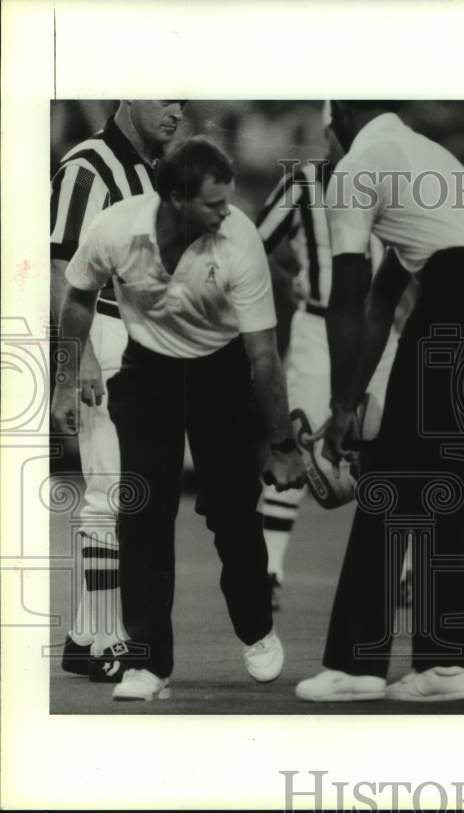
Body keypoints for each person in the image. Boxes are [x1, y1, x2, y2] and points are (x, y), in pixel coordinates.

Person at [294, 101, 464, 703]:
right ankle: (444, 665)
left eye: (328, 131)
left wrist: (341, 404)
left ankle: (356, 665)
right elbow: (385, 299)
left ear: (340, 119)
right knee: (437, 486)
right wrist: (350, 403)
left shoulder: (358, 167)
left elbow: (350, 295)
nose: (326, 143)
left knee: (389, 478)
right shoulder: (421, 156)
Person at [51, 136, 305, 702]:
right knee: (142, 510)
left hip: (219, 371)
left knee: (234, 514)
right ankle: (147, 662)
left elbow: (263, 355)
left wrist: (283, 442)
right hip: (148, 372)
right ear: (172, 198)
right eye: (213, 204)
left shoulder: (238, 241)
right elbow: (76, 298)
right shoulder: (116, 228)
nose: (227, 213)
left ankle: (256, 628)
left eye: (227, 201)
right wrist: (67, 378)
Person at [254, 102, 410, 609]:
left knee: (390, 441)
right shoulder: (304, 182)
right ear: (331, 130)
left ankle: (403, 569)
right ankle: (269, 567)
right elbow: (255, 246)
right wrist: (293, 278)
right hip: (320, 326)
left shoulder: (387, 172)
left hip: (376, 327)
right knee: (298, 438)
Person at [50, 100, 186, 681]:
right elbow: (61, 273)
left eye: (184, 99)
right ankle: (106, 637)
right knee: (111, 492)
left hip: (139, 339)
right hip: (100, 333)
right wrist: (70, 364)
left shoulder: (152, 171)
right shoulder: (88, 166)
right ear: (129, 95)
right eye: (165, 98)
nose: (177, 111)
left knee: (129, 491)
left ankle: (86, 635)